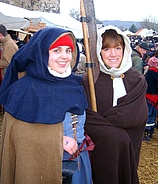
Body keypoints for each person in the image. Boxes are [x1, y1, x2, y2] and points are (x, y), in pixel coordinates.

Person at [0, 27, 93, 184]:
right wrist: (58, 140)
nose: (65, 56)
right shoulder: (25, 89)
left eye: (68, 50)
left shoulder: (75, 83)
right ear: (41, 53)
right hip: (38, 166)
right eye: (56, 50)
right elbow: (19, 136)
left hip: (78, 164)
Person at [82, 25, 148, 184]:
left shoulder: (137, 80)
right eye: (106, 49)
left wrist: (105, 126)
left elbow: (137, 115)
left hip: (129, 145)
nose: (113, 54)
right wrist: (108, 131)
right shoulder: (90, 80)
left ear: (124, 49)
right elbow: (87, 117)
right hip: (101, 150)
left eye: (117, 48)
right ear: (99, 51)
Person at [144, 49, 158, 141]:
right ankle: (151, 132)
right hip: (155, 97)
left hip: (148, 96)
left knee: (148, 115)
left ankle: (147, 134)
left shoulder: (149, 73)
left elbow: (144, 84)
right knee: (153, 115)